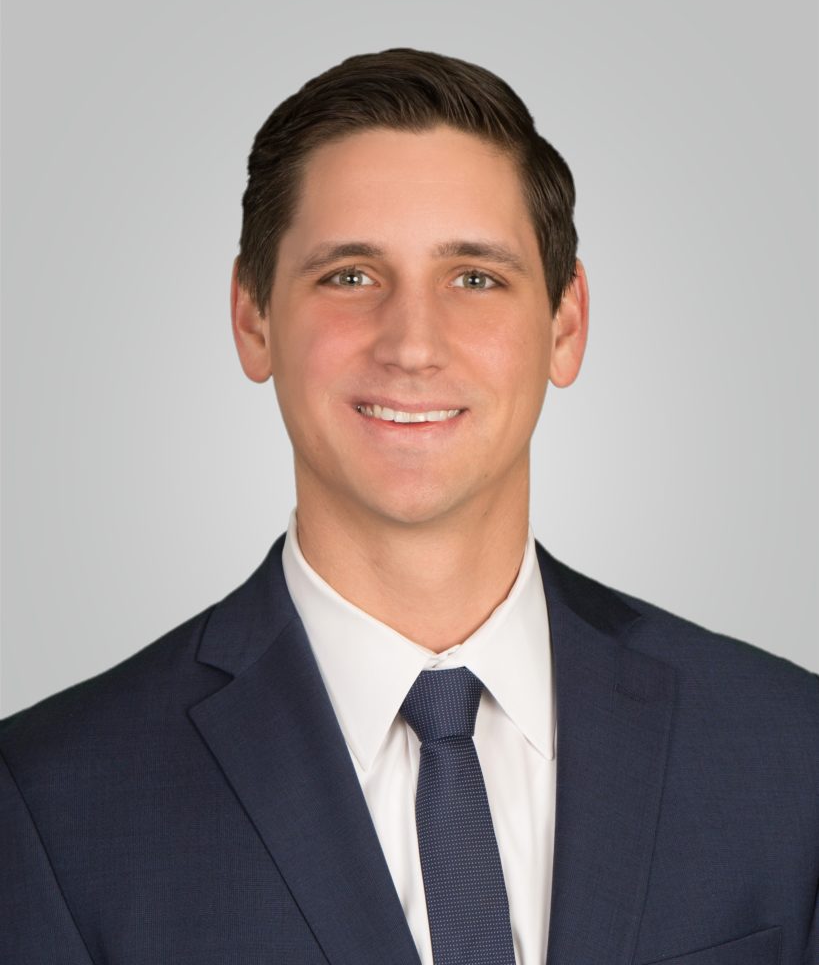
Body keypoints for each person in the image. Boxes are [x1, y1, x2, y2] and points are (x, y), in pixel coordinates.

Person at [1, 48, 817, 965]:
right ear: (252, 317)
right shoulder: (50, 802)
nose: (412, 345)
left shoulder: (789, 753)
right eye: (350, 275)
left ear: (565, 323)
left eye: (475, 278)